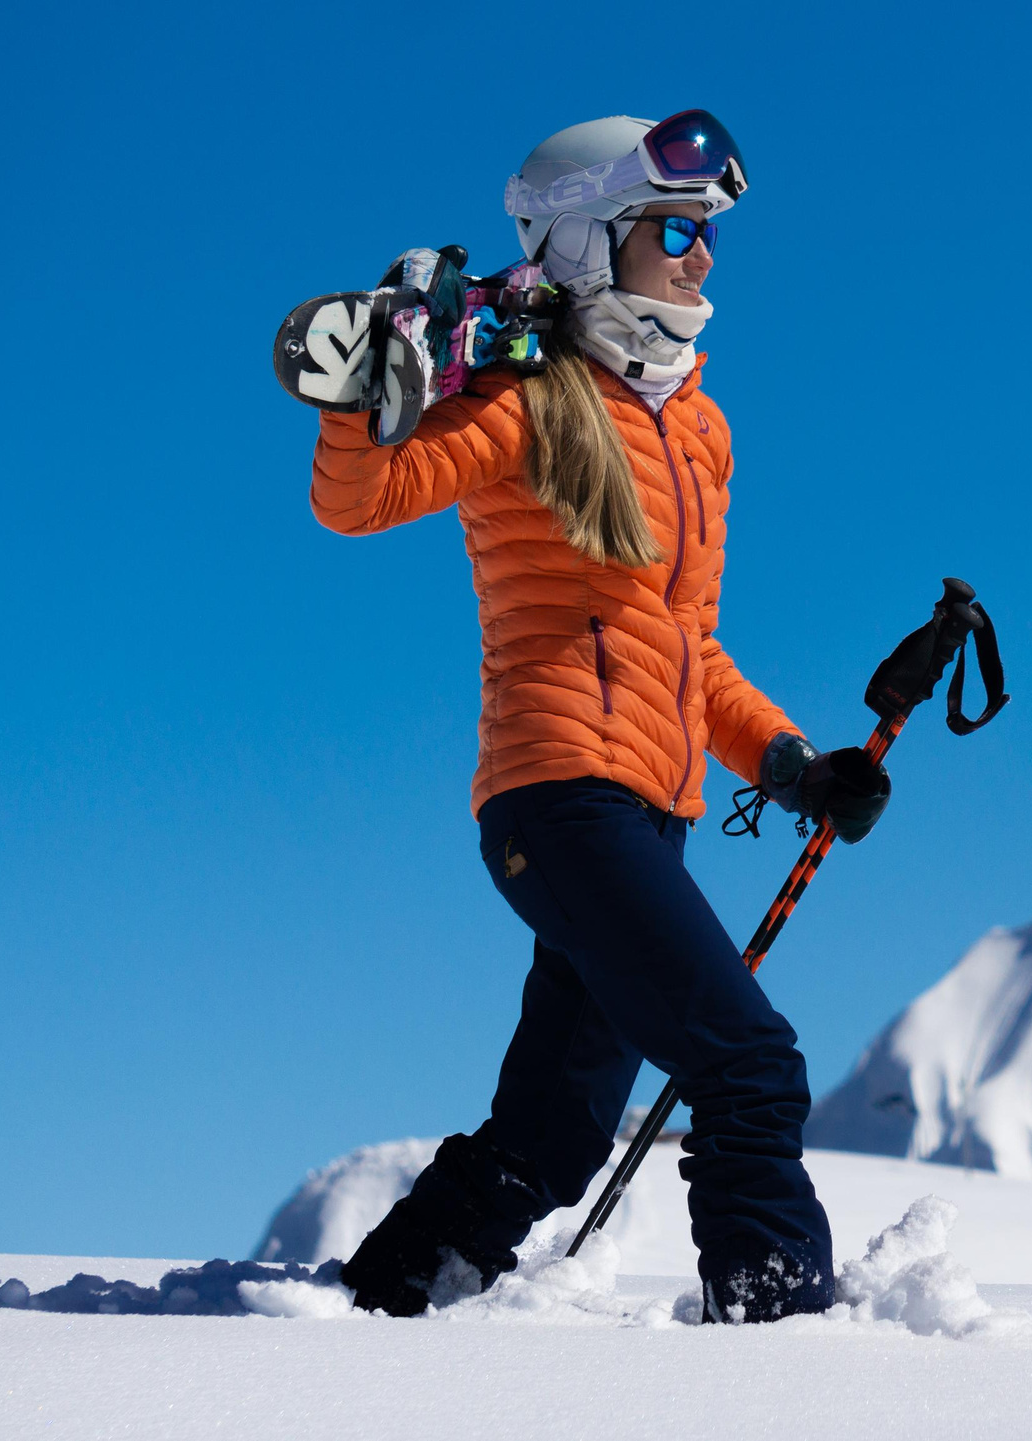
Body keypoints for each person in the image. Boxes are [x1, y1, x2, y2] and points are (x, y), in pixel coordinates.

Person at [308, 111, 889, 1322]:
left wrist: (794, 765)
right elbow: (363, 501)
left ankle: (380, 1304)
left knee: (554, 1130)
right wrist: (355, 393)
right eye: (673, 230)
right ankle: (783, 1335)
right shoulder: (524, 401)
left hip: (648, 814)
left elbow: (690, 650)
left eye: (708, 233)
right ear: (584, 241)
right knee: (748, 1062)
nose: (702, 256)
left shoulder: (696, 429)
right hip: (561, 795)